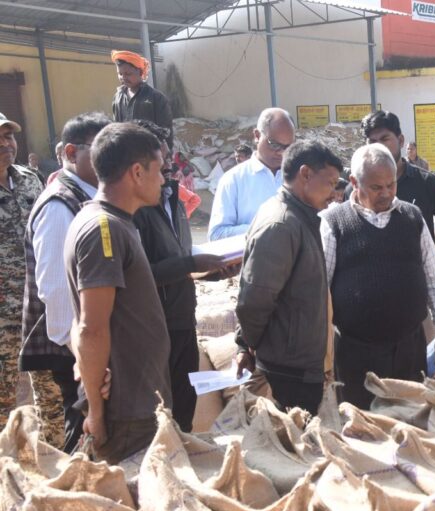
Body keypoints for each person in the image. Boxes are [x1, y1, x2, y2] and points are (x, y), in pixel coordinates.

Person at [64, 122, 171, 462]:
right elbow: (90, 327)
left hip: (137, 401)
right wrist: (96, 411)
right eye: (159, 170)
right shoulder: (104, 229)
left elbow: (81, 321)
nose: (163, 179)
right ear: (137, 172)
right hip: (128, 411)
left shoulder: (112, 222)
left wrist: (87, 368)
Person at [321, 144, 435, 409]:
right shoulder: (333, 222)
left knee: (412, 419)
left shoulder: (412, 217)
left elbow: (434, 276)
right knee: (364, 424)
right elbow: (320, 290)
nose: (386, 193)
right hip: (356, 354)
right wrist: (322, 354)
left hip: (409, 349)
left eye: (391, 185)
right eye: (376, 187)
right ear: (354, 183)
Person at [132, 120, 234, 432]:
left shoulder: (174, 199)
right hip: (153, 328)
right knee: (159, 415)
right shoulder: (133, 210)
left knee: (184, 407)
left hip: (182, 318)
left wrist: (214, 271)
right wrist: (190, 263)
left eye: (168, 157)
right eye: (160, 159)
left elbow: (181, 262)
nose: (168, 166)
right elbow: (139, 275)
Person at [19, 112, 109, 450]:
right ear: (71, 153)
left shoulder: (91, 196)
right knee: (79, 444)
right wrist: (89, 361)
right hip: (69, 355)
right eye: (100, 150)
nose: (110, 159)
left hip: (88, 349)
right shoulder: (59, 205)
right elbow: (57, 297)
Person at [235, 140, 344, 414]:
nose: (334, 194)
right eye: (330, 183)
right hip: (288, 368)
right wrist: (247, 344)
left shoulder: (301, 217)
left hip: (300, 362)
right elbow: (255, 299)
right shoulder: (282, 224)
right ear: (305, 174)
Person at [360, 111, 435, 279]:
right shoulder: (356, 191)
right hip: (370, 286)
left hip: (416, 287)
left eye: (384, 139)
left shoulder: (426, 183)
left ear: (401, 140)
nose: (379, 148)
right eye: (372, 142)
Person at [0, 111, 44, 433]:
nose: (6, 144)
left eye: (9, 136)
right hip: (3, 314)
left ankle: (50, 450)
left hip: (38, 305)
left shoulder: (30, 179)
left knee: (48, 388)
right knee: (3, 392)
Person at [208, 108, 295, 240]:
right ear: (257, 136)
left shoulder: (299, 177)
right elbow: (216, 234)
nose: (281, 152)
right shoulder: (233, 180)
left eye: (288, 147)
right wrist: (263, 229)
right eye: (274, 144)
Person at [110, 50, 173, 146]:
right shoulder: (118, 98)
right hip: (126, 151)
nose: (123, 77)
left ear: (140, 72)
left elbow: (166, 131)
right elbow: (116, 128)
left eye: (128, 74)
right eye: (120, 74)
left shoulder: (156, 98)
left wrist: (164, 152)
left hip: (149, 151)